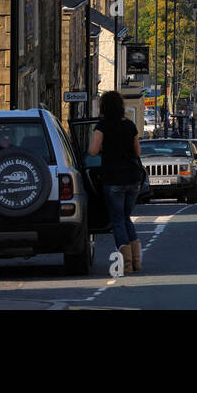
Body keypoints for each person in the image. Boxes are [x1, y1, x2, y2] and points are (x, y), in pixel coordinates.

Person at [88, 91, 143, 274]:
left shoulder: (102, 126)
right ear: (120, 107)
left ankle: (126, 264)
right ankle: (136, 261)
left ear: (103, 107)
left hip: (113, 179)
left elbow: (93, 151)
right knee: (126, 218)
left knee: (118, 220)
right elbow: (137, 152)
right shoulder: (130, 125)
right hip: (133, 179)